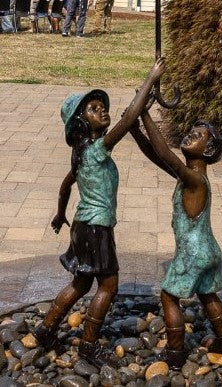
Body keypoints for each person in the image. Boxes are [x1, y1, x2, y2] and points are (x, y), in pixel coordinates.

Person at [31, 58, 165, 369]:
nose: (101, 110)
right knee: (109, 285)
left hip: (82, 225)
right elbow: (129, 119)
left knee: (81, 282)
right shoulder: (96, 149)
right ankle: (89, 345)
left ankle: (45, 330)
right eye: (93, 109)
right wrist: (150, 78)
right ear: (81, 123)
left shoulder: (81, 156)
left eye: (100, 106)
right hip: (97, 227)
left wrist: (59, 215)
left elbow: (66, 186)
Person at [132, 111, 222, 370]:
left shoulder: (195, 181)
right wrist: (135, 131)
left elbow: (165, 154)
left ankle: (175, 351)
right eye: (192, 131)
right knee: (207, 294)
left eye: (199, 136)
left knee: (168, 297)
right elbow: (157, 156)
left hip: (192, 253)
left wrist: (144, 114)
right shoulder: (190, 177)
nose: (191, 135)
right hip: (208, 250)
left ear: (208, 149)